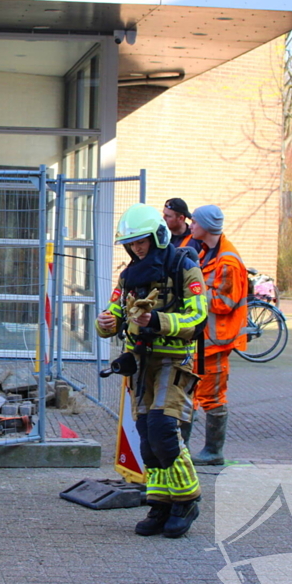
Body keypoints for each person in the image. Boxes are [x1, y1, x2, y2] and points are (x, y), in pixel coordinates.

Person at [96, 203, 208, 538]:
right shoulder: (129, 275)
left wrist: (156, 320)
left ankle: (187, 499)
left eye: (142, 240)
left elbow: (198, 317)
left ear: (157, 235)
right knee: (146, 438)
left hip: (173, 362)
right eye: (131, 243)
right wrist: (106, 322)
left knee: (162, 430)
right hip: (140, 365)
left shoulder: (183, 265)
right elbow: (114, 312)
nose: (137, 248)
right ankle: (160, 503)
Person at [186, 204, 248, 466]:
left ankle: (213, 452)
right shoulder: (206, 251)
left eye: (194, 223)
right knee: (189, 391)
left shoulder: (227, 260)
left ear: (207, 226)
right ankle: (185, 449)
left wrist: (192, 293)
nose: (191, 226)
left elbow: (225, 301)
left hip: (215, 341)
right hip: (202, 339)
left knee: (211, 395)